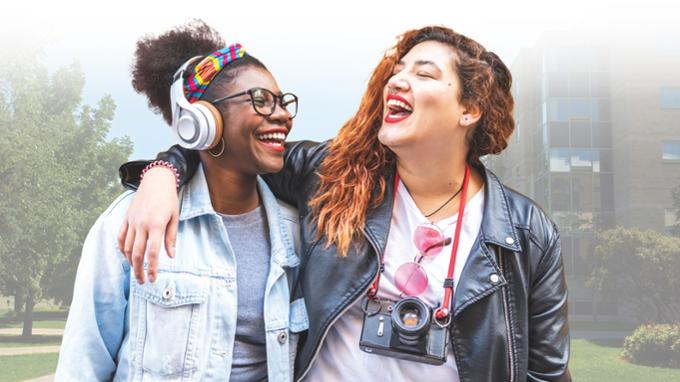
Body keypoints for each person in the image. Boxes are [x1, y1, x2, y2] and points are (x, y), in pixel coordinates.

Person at [118, 26, 570, 381]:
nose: (398, 80)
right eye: (400, 69)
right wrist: (166, 170)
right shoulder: (332, 175)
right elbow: (233, 148)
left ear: (468, 110)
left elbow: (546, 374)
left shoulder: (526, 234)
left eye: (424, 73)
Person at [55, 20, 307, 381]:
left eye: (283, 102)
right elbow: (83, 366)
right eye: (261, 100)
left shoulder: (297, 230)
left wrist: (164, 168)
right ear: (203, 121)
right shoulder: (128, 221)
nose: (281, 115)